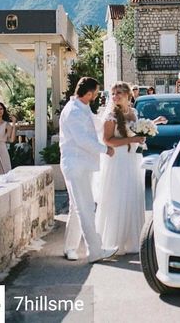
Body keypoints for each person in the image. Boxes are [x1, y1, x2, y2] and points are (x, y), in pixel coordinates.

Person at [59, 77, 118, 263]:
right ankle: (95, 251)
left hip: (82, 163)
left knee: (77, 206)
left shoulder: (82, 108)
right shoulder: (73, 111)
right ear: (90, 93)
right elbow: (82, 139)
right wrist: (105, 149)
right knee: (85, 207)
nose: (96, 96)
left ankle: (70, 247)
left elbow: (98, 124)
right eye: (96, 92)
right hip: (76, 164)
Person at [95, 81, 148, 255]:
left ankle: (132, 240)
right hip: (117, 161)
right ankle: (114, 241)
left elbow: (137, 132)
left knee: (132, 197)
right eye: (113, 93)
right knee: (118, 198)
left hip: (132, 160)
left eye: (119, 93)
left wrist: (142, 136)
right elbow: (107, 140)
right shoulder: (110, 115)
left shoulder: (134, 112)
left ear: (128, 95)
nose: (116, 96)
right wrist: (131, 140)